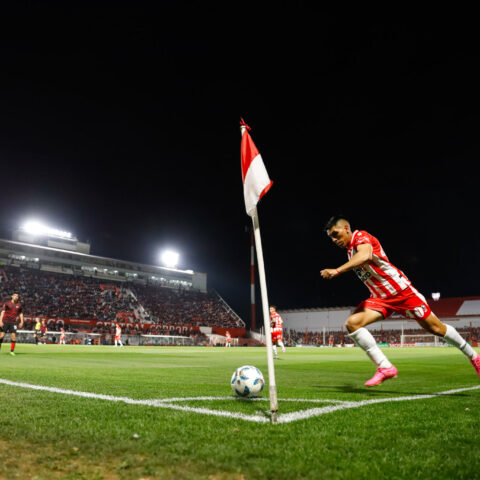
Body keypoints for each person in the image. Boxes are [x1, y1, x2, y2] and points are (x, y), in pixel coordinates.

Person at [321, 216, 480, 386]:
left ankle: (475, 357)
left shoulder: (361, 237)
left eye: (336, 234)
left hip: (401, 293)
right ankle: (385, 367)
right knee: (352, 323)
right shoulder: (350, 251)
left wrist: (337, 271)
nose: (334, 240)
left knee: (436, 328)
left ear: (346, 228)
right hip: (380, 299)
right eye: (331, 237)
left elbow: (366, 255)